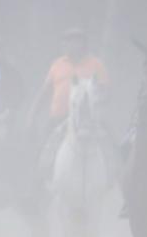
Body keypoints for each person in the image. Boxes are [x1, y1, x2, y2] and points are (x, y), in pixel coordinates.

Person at [33, 28, 110, 179]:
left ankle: (114, 180)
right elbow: (45, 91)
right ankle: (36, 190)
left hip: (88, 120)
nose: (69, 46)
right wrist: (32, 114)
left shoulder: (95, 64)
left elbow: (106, 90)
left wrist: (98, 102)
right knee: (41, 150)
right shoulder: (57, 64)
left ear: (83, 44)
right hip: (58, 117)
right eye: (67, 42)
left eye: (74, 42)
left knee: (110, 145)